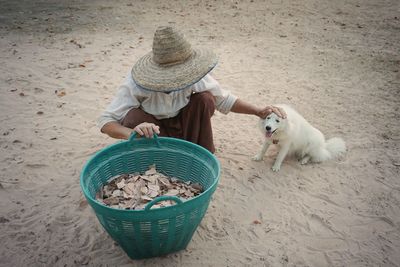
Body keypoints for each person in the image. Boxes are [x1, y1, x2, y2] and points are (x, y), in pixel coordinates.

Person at [98, 26, 285, 153]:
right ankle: (155, 153)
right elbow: (105, 122)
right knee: (132, 117)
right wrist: (131, 133)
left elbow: (224, 100)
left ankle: (198, 149)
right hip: (153, 132)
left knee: (205, 99)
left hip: (186, 127)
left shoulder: (193, 75)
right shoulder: (136, 82)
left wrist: (258, 111)